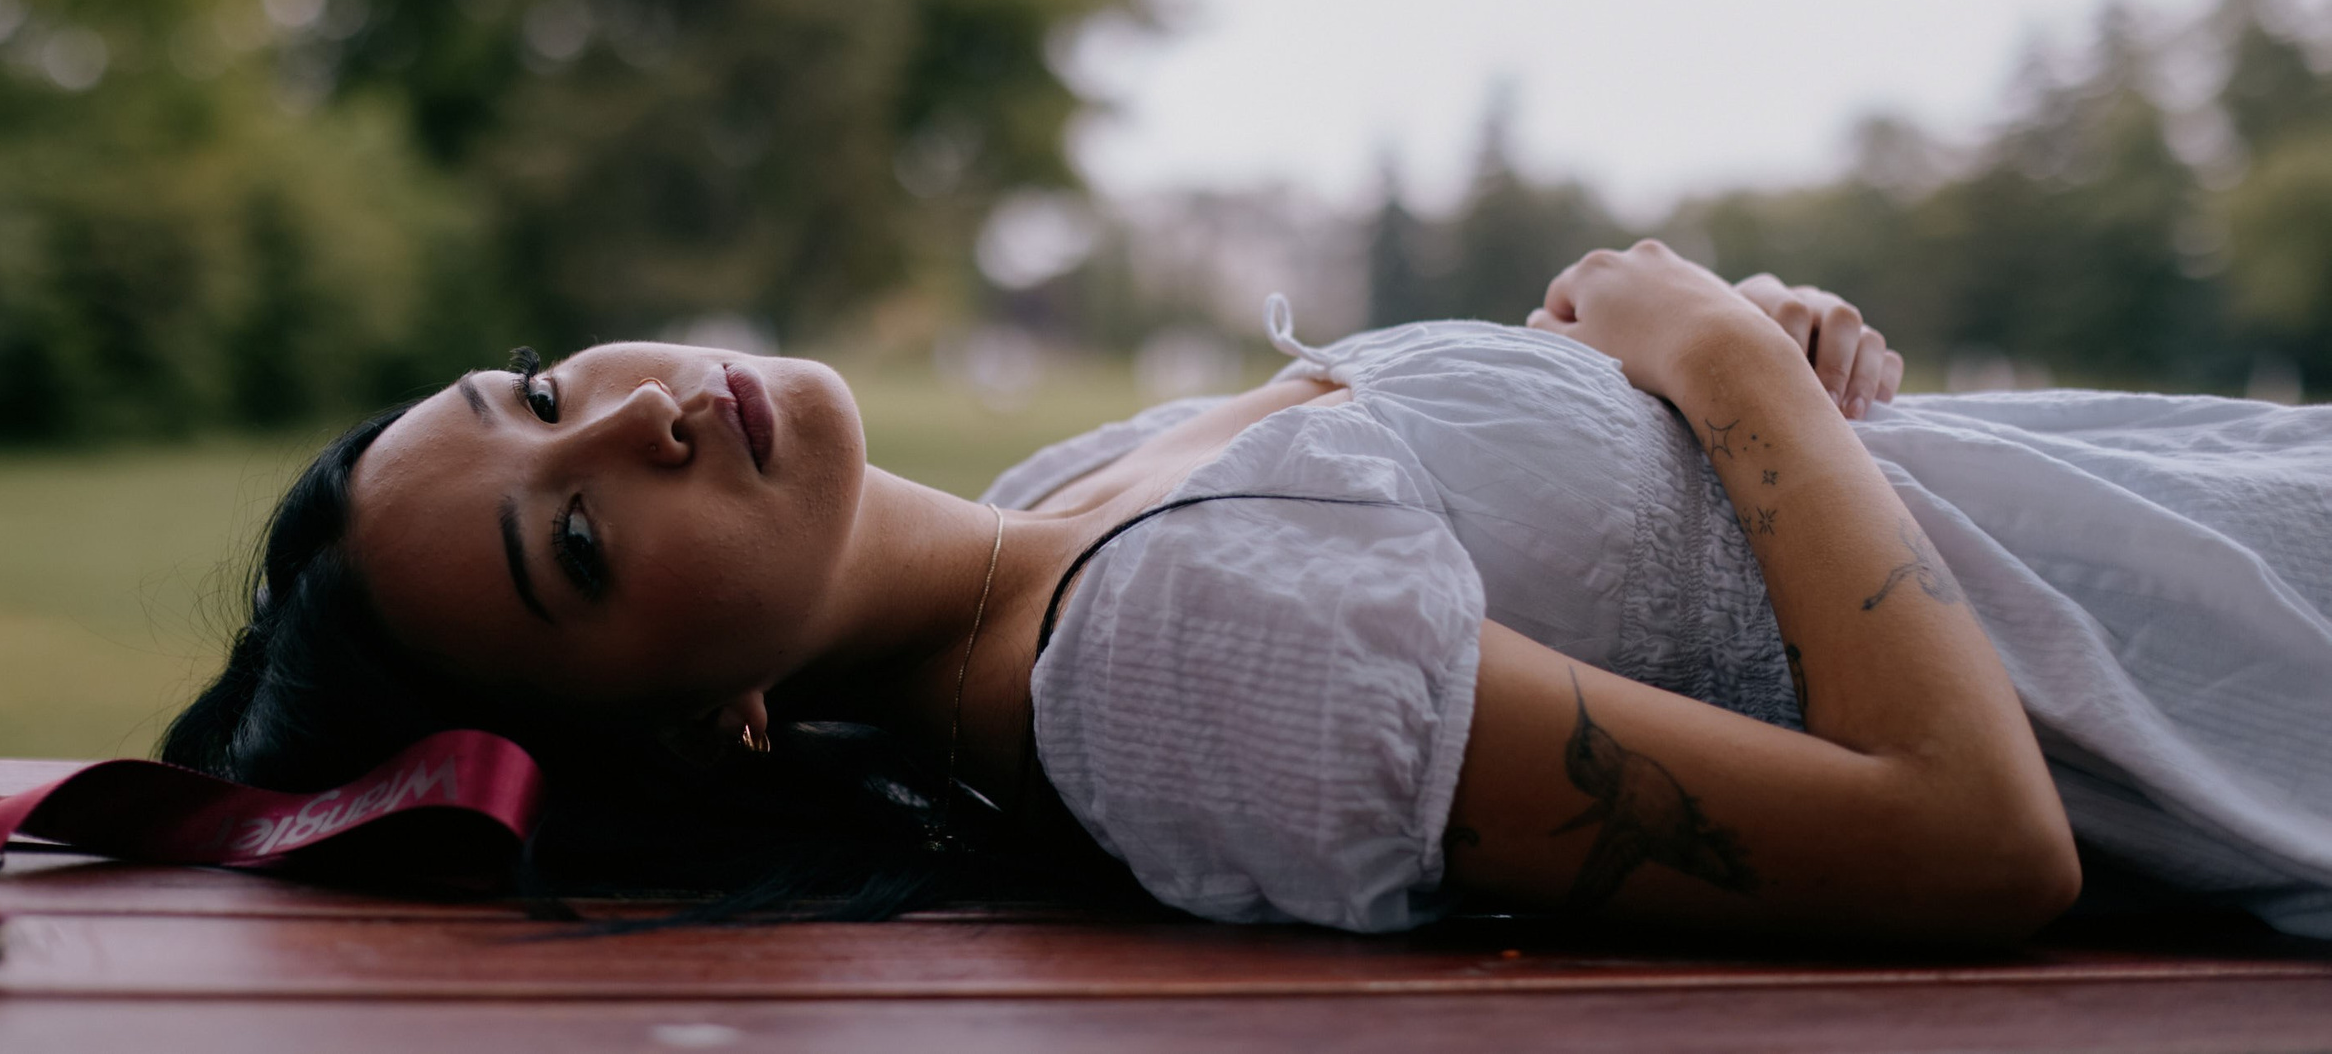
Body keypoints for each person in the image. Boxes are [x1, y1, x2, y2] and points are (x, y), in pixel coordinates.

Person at [162, 240, 2332, 941]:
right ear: (694, 729)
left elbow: (1637, 550)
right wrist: (1725, 373)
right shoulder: (1169, 667)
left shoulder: (1062, 505)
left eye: (539, 392)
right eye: (572, 544)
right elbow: (1969, 843)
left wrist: (1752, 385)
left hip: (2215, 514)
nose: (625, 420)